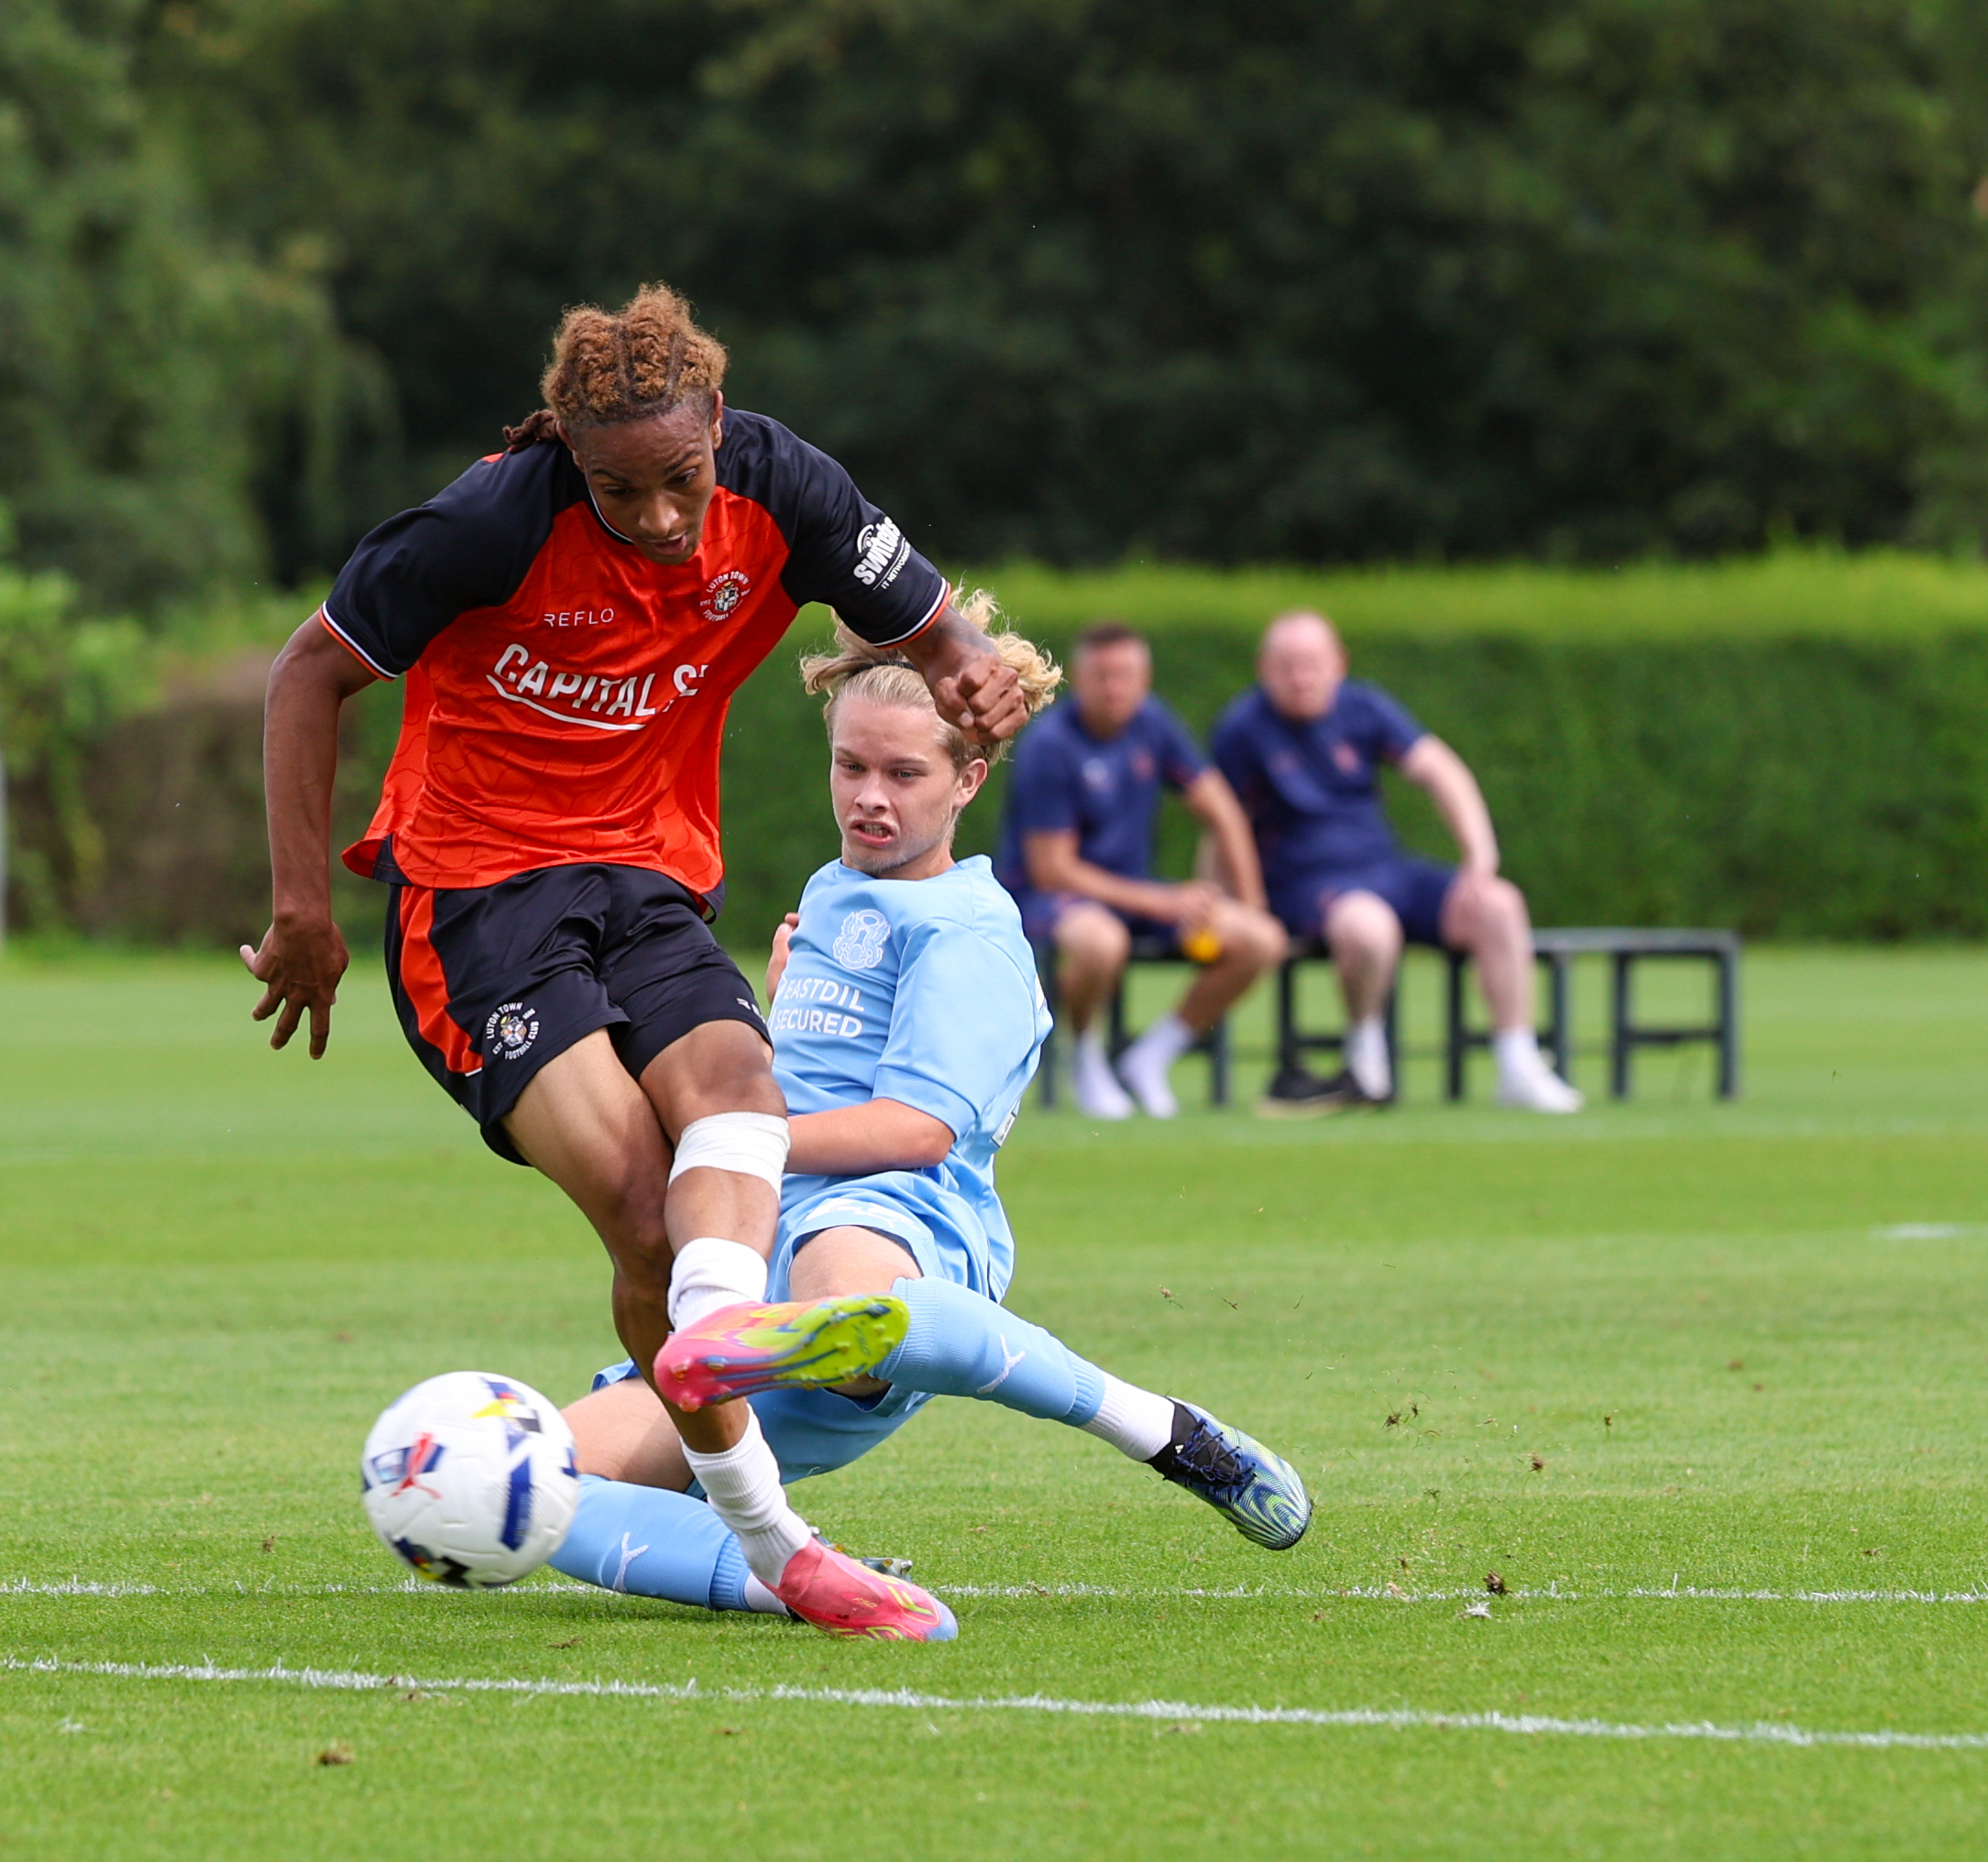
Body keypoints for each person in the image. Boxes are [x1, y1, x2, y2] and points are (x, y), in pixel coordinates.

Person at [245, 286, 1028, 1642]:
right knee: (636, 1199)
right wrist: (302, 908)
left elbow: (937, 635)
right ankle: (781, 1543)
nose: (662, 517)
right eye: (621, 491)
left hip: (648, 874)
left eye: (681, 479)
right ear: (564, 449)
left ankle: (717, 1324)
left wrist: (973, 674)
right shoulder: (489, 520)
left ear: (718, 424)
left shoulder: (784, 489)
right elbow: (306, 672)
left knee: (738, 1088)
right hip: (476, 897)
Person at [545, 605, 1312, 1623]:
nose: (868, 798)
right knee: (536, 1484)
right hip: (750, 1236)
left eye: (903, 775)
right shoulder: (827, 894)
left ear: (967, 780)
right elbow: (801, 1078)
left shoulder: (968, 933)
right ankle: (809, 1586)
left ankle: (1154, 1427)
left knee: (844, 1287)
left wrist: (727, 1141)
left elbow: (916, 1131)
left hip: (892, 1212)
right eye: (849, 767)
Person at [1208, 609, 1584, 1113]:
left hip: (1387, 869)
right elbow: (1220, 824)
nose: (1301, 677)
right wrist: (1225, 899)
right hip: (1306, 883)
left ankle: (1517, 1062)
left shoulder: (1363, 707)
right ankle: (1366, 1058)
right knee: (1370, 926)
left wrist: (1480, 856)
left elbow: (1439, 770)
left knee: (1499, 904)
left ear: (1338, 663)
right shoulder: (1242, 728)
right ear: (1263, 668)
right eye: (1287, 665)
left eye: (1312, 663)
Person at [997, 622, 1286, 1120]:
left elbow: (1223, 812)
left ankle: (1151, 1057)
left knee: (1262, 939)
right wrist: (1161, 900)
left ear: (1145, 677)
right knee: (1100, 941)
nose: (1115, 688)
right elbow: (1053, 870)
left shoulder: (1154, 724)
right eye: (1103, 676)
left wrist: (1249, 902)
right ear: (1079, 680)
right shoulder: (1050, 745)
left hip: (1134, 898)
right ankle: (1084, 1055)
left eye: (1126, 675)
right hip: (1048, 901)